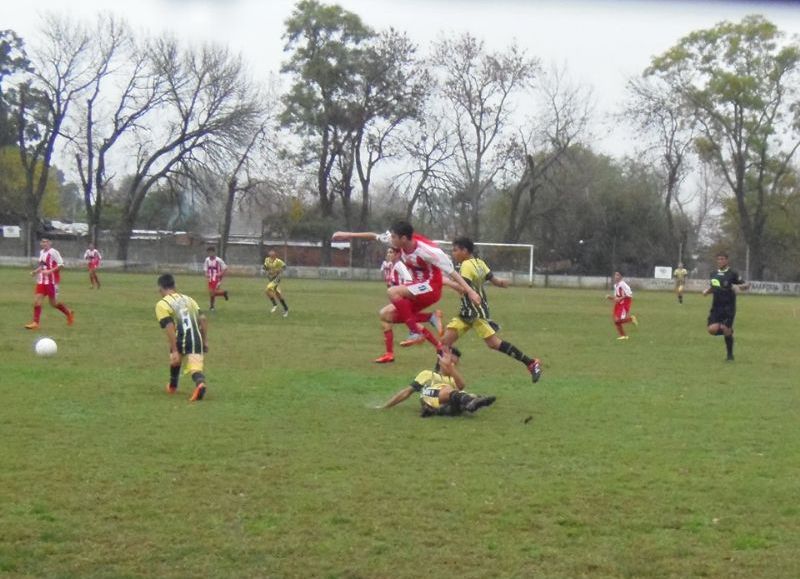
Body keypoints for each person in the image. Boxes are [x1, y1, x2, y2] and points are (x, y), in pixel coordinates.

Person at [332, 221, 480, 355]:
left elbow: (451, 271)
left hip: (431, 287)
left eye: (394, 237)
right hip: (417, 287)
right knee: (385, 315)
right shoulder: (398, 242)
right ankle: (438, 340)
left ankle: (415, 331)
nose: (391, 240)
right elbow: (374, 236)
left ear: (403, 239)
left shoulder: (426, 251)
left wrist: (470, 291)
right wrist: (347, 235)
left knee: (393, 291)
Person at [440, 236, 542, 383]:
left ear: (464, 250)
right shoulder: (480, 263)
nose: (453, 253)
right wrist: (502, 283)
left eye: (455, 250)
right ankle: (441, 377)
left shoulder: (466, 266)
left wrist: (445, 282)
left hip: (474, 313)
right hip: (468, 313)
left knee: (493, 343)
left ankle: (531, 363)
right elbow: (495, 280)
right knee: (444, 343)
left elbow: (463, 289)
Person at [381, 348, 496, 417]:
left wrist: (451, 370)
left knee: (464, 394)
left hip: (447, 400)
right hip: (429, 395)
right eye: (451, 363)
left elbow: (461, 386)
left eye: (455, 365)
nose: (453, 367)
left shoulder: (452, 378)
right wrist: (385, 406)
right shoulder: (428, 374)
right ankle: (470, 403)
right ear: (441, 362)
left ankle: (439, 410)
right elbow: (407, 392)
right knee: (448, 391)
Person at [379, 246, 443, 361]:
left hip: (406, 297)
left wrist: (402, 293)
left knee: (386, 315)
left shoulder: (399, 266)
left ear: (398, 254)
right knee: (391, 317)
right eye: (388, 252)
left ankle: (390, 353)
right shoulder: (390, 265)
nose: (389, 254)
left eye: (392, 252)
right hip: (400, 297)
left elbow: (409, 280)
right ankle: (439, 345)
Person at [155, 273, 209, 401]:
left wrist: (174, 349)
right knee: (195, 368)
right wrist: (204, 340)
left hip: (180, 338)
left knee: (175, 358)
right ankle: (200, 384)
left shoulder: (162, 304)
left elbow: (169, 327)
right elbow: (203, 319)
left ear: (160, 289)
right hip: (196, 338)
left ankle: (173, 386)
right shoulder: (189, 299)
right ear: (175, 286)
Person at [703, 252, 749, 361]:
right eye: (718, 259)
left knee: (725, 329)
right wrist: (707, 291)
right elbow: (714, 287)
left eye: (722, 259)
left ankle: (730, 356)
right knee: (711, 330)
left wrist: (738, 287)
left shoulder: (733, 273)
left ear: (727, 260)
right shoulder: (713, 273)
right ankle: (728, 331)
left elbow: (746, 285)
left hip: (728, 307)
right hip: (716, 307)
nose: (720, 261)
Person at [25, 237, 74, 330]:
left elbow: (61, 264)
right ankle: (35, 323)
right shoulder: (41, 253)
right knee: (36, 301)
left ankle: (68, 312)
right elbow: (42, 266)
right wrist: (35, 272)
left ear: (50, 243)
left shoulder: (53, 252)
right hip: (41, 281)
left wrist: (49, 271)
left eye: (46, 242)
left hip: (51, 282)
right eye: (43, 242)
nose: (44, 243)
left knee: (53, 303)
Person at [606, 271, 638, 340]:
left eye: (617, 275)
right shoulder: (615, 285)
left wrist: (621, 298)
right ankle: (623, 336)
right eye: (615, 275)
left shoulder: (623, 284)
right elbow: (616, 298)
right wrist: (610, 298)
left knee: (619, 320)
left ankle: (631, 319)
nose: (616, 276)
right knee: (616, 321)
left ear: (621, 277)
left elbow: (629, 294)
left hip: (624, 304)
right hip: (618, 304)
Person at [263, 250, 289, 317]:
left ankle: (275, 305)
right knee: (278, 294)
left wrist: (278, 270)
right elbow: (265, 268)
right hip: (271, 279)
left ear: (275, 255)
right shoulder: (267, 260)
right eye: (270, 255)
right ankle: (285, 308)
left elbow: (284, 267)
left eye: (272, 255)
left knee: (268, 288)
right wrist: (268, 272)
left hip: (277, 278)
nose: (271, 256)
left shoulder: (278, 261)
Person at [203, 246, 229, 311]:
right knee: (211, 293)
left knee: (212, 292)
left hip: (217, 279)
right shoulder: (207, 260)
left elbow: (225, 268)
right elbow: (205, 268)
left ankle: (212, 307)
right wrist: (206, 273)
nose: (210, 254)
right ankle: (223, 293)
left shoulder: (218, 260)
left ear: (214, 252)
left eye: (211, 252)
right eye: (209, 252)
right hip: (210, 279)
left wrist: (220, 273)